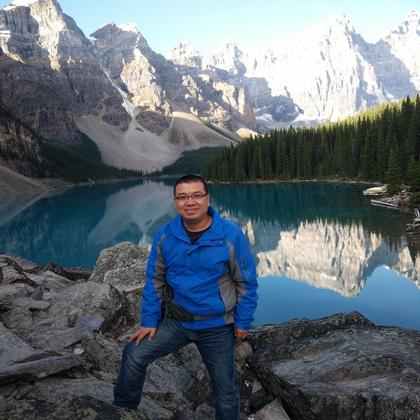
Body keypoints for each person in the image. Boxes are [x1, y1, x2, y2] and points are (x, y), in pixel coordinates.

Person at [113, 174, 258, 419]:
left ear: (207, 199)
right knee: (134, 354)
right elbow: (155, 280)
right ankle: (124, 411)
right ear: (175, 202)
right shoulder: (165, 236)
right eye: (182, 197)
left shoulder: (230, 235)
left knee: (225, 391)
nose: (190, 202)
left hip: (217, 326)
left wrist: (243, 322)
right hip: (177, 322)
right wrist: (149, 321)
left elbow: (246, 283)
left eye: (196, 195)